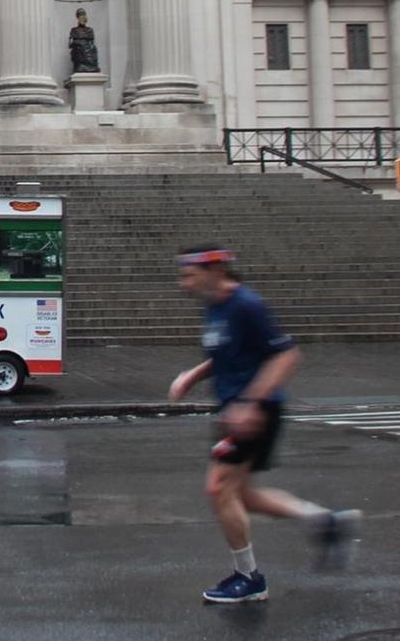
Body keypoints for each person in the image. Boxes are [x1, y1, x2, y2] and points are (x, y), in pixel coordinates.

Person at [167, 245, 361, 604]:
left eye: (188, 275)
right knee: (243, 496)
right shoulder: (215, 306)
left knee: (218, 488)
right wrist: (191, 376)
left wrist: (249, 403)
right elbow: (224, 353)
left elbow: (286, 355)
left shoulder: (246, 305)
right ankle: (326, 522)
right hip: (235, 413)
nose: (184, 284)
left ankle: (249, 578)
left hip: (253, 415)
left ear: (214, 270)